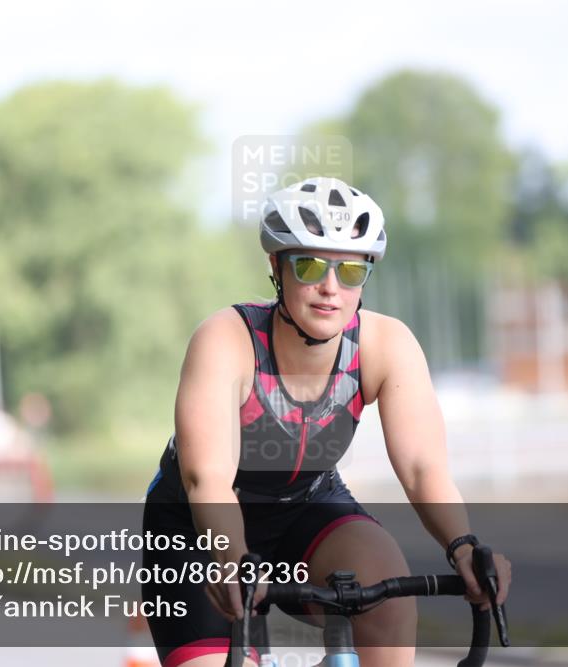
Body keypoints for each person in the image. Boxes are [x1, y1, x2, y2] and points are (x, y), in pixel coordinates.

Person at [141, 177, 511, 667]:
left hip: (306, 506)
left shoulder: (386, 344)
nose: (330, 287)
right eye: (310, 264)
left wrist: (463, 547)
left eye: (351, 271)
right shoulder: (227, 339)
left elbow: (424, 468)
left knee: (389, 600)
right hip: (198, 529)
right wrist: (231, 559)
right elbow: (206, 478)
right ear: (277, 267)